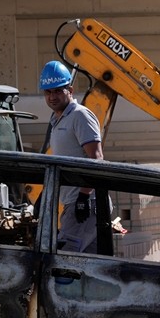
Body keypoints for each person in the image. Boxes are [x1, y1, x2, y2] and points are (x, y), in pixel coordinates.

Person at [40, 60, 105, 253]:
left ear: (70, 89)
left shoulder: (80, 116)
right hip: (72, 202)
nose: (52, 96)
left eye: (58, 91)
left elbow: (96, 158)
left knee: (62, 259)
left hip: (86, 202)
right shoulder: (57, 120)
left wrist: (84, 197)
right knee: (87, 266)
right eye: (48, 92)